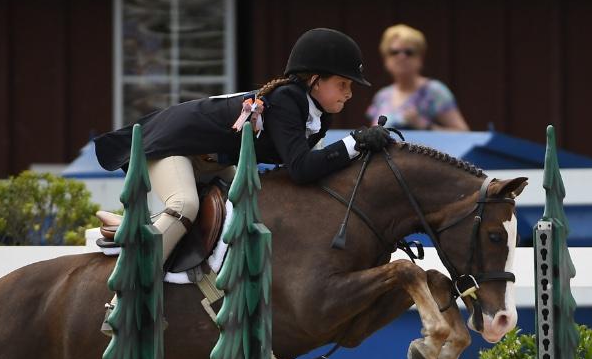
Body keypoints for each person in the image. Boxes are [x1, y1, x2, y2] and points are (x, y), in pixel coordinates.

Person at [94, 27, 394, 268]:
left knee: (252, 203)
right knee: (184, 205)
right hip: (171, 146)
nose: (350, 93)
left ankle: (153, 236)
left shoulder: (318, 115)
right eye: (343, 84)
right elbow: (301, 169)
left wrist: (360, 148)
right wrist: (356, 141)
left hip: (209, 158)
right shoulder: (288, 100)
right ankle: (130, 290)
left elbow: (312, 168)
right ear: (315, 81)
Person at [365, 24, 469, 131]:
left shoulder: (434, 91)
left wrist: (425, 125)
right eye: (394, 52)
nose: (401, 57)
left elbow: (462, 133)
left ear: (420, 58)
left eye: (409, 52)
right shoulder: (382, 96)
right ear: (385, 59)